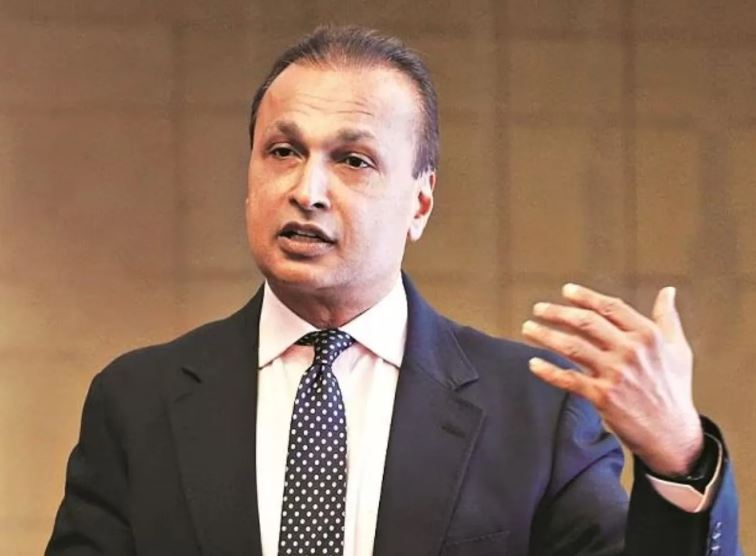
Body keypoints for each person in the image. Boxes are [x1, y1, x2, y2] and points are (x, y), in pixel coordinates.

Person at [46, 25, 741, 556]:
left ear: (420, 202)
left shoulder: (535, 411)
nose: (308, 190)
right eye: (283, 151)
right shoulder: (137, 402)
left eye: (353, 160)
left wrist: (678, 456)